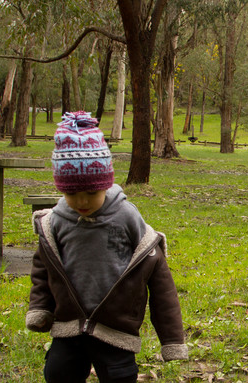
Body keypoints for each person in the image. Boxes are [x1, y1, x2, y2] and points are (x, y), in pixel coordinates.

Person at [25, 111, 188, 383]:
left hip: (116, 328)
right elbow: (44, 266)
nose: (82, 202)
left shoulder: (126, 217)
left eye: (91, 193)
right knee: (57, 373)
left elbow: (158, 274)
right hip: (69, 325)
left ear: (106, 183)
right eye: (71, 194)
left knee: (120, 377)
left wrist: (172, 339)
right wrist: (40, 307)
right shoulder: (56, 221)